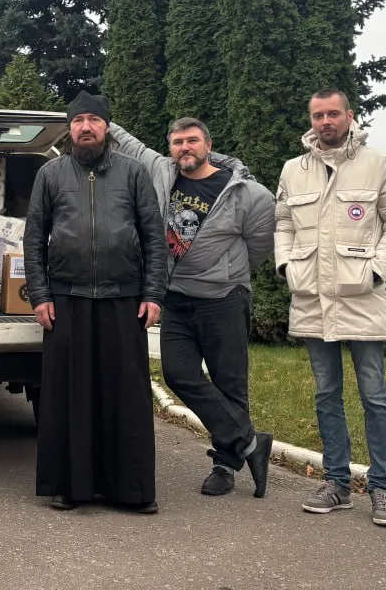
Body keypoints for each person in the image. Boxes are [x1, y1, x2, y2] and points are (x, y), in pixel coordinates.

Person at [110, 116, 276, 498]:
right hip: (177, 297)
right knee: (177, 372)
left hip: (224, 298)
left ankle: (225, 465)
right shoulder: (162, 172)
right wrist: (100, 120)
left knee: (230, 384)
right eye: (177, 142)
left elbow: (259, 245)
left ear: (208, 145)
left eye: (192, 140)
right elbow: (132, 145)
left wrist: (227, 271)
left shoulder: (247, 192)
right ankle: (250, 442)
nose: (185, 147)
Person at [274, 88, 386, 528]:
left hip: (361, 296)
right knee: (325, 395)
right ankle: (336, 483)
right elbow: (282, 223)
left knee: (375, 395)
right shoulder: (293, 170)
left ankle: (383, 487)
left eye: (333, 113)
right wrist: (286, 265)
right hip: (312, 298)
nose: (325, 122)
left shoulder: (378, 164)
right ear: (310, 120)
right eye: (318, 115)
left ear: (349, 116)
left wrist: (377, 270)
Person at [23, 91, 168, 513]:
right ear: (69, 129)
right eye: (78, 121)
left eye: (94, 120)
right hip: (66, 299)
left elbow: (153, 236)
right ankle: (71, 486)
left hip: (124, 299)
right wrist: (40, 295)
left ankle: (132, 490)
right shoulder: (50, 174)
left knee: (126, 397)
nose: (86, 127)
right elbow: (34, 237)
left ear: (107, 127)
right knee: (69, 397)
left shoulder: (133, 173)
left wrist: (153, 293)